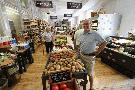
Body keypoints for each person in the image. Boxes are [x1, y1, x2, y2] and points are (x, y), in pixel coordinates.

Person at [79, 19, 107, 90]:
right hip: (82, 55)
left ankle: (91, 87)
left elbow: (104, 43)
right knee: (83, 71)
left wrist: (97, 52)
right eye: (84, 24)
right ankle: (84, 81)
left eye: (87, 24)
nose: (85, 25)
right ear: (82, 25)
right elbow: (81, 44)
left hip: (90, 57)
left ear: (90, 24)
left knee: (90, 73)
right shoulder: (81, 34)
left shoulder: (95, 33)